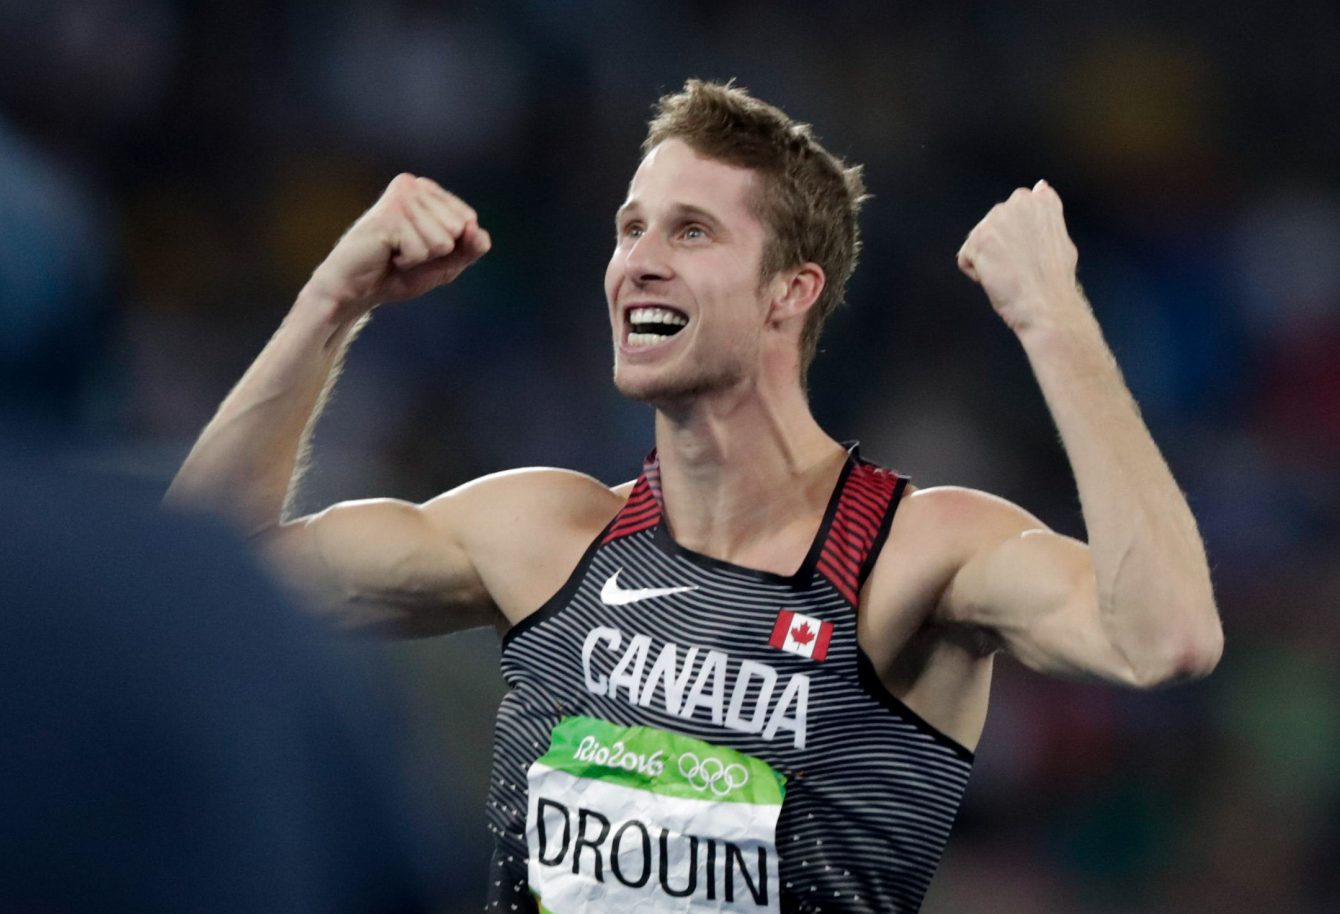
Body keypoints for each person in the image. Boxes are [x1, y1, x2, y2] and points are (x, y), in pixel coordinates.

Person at [166, 80, 1223, 914]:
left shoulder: (912, 552)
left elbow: (1165, 637)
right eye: (629, 228)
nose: (636, 262)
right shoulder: (546, 535)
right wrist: (332, 301)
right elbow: (187, 585)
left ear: (789, 292)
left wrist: (1053, 320)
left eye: (690, 232)